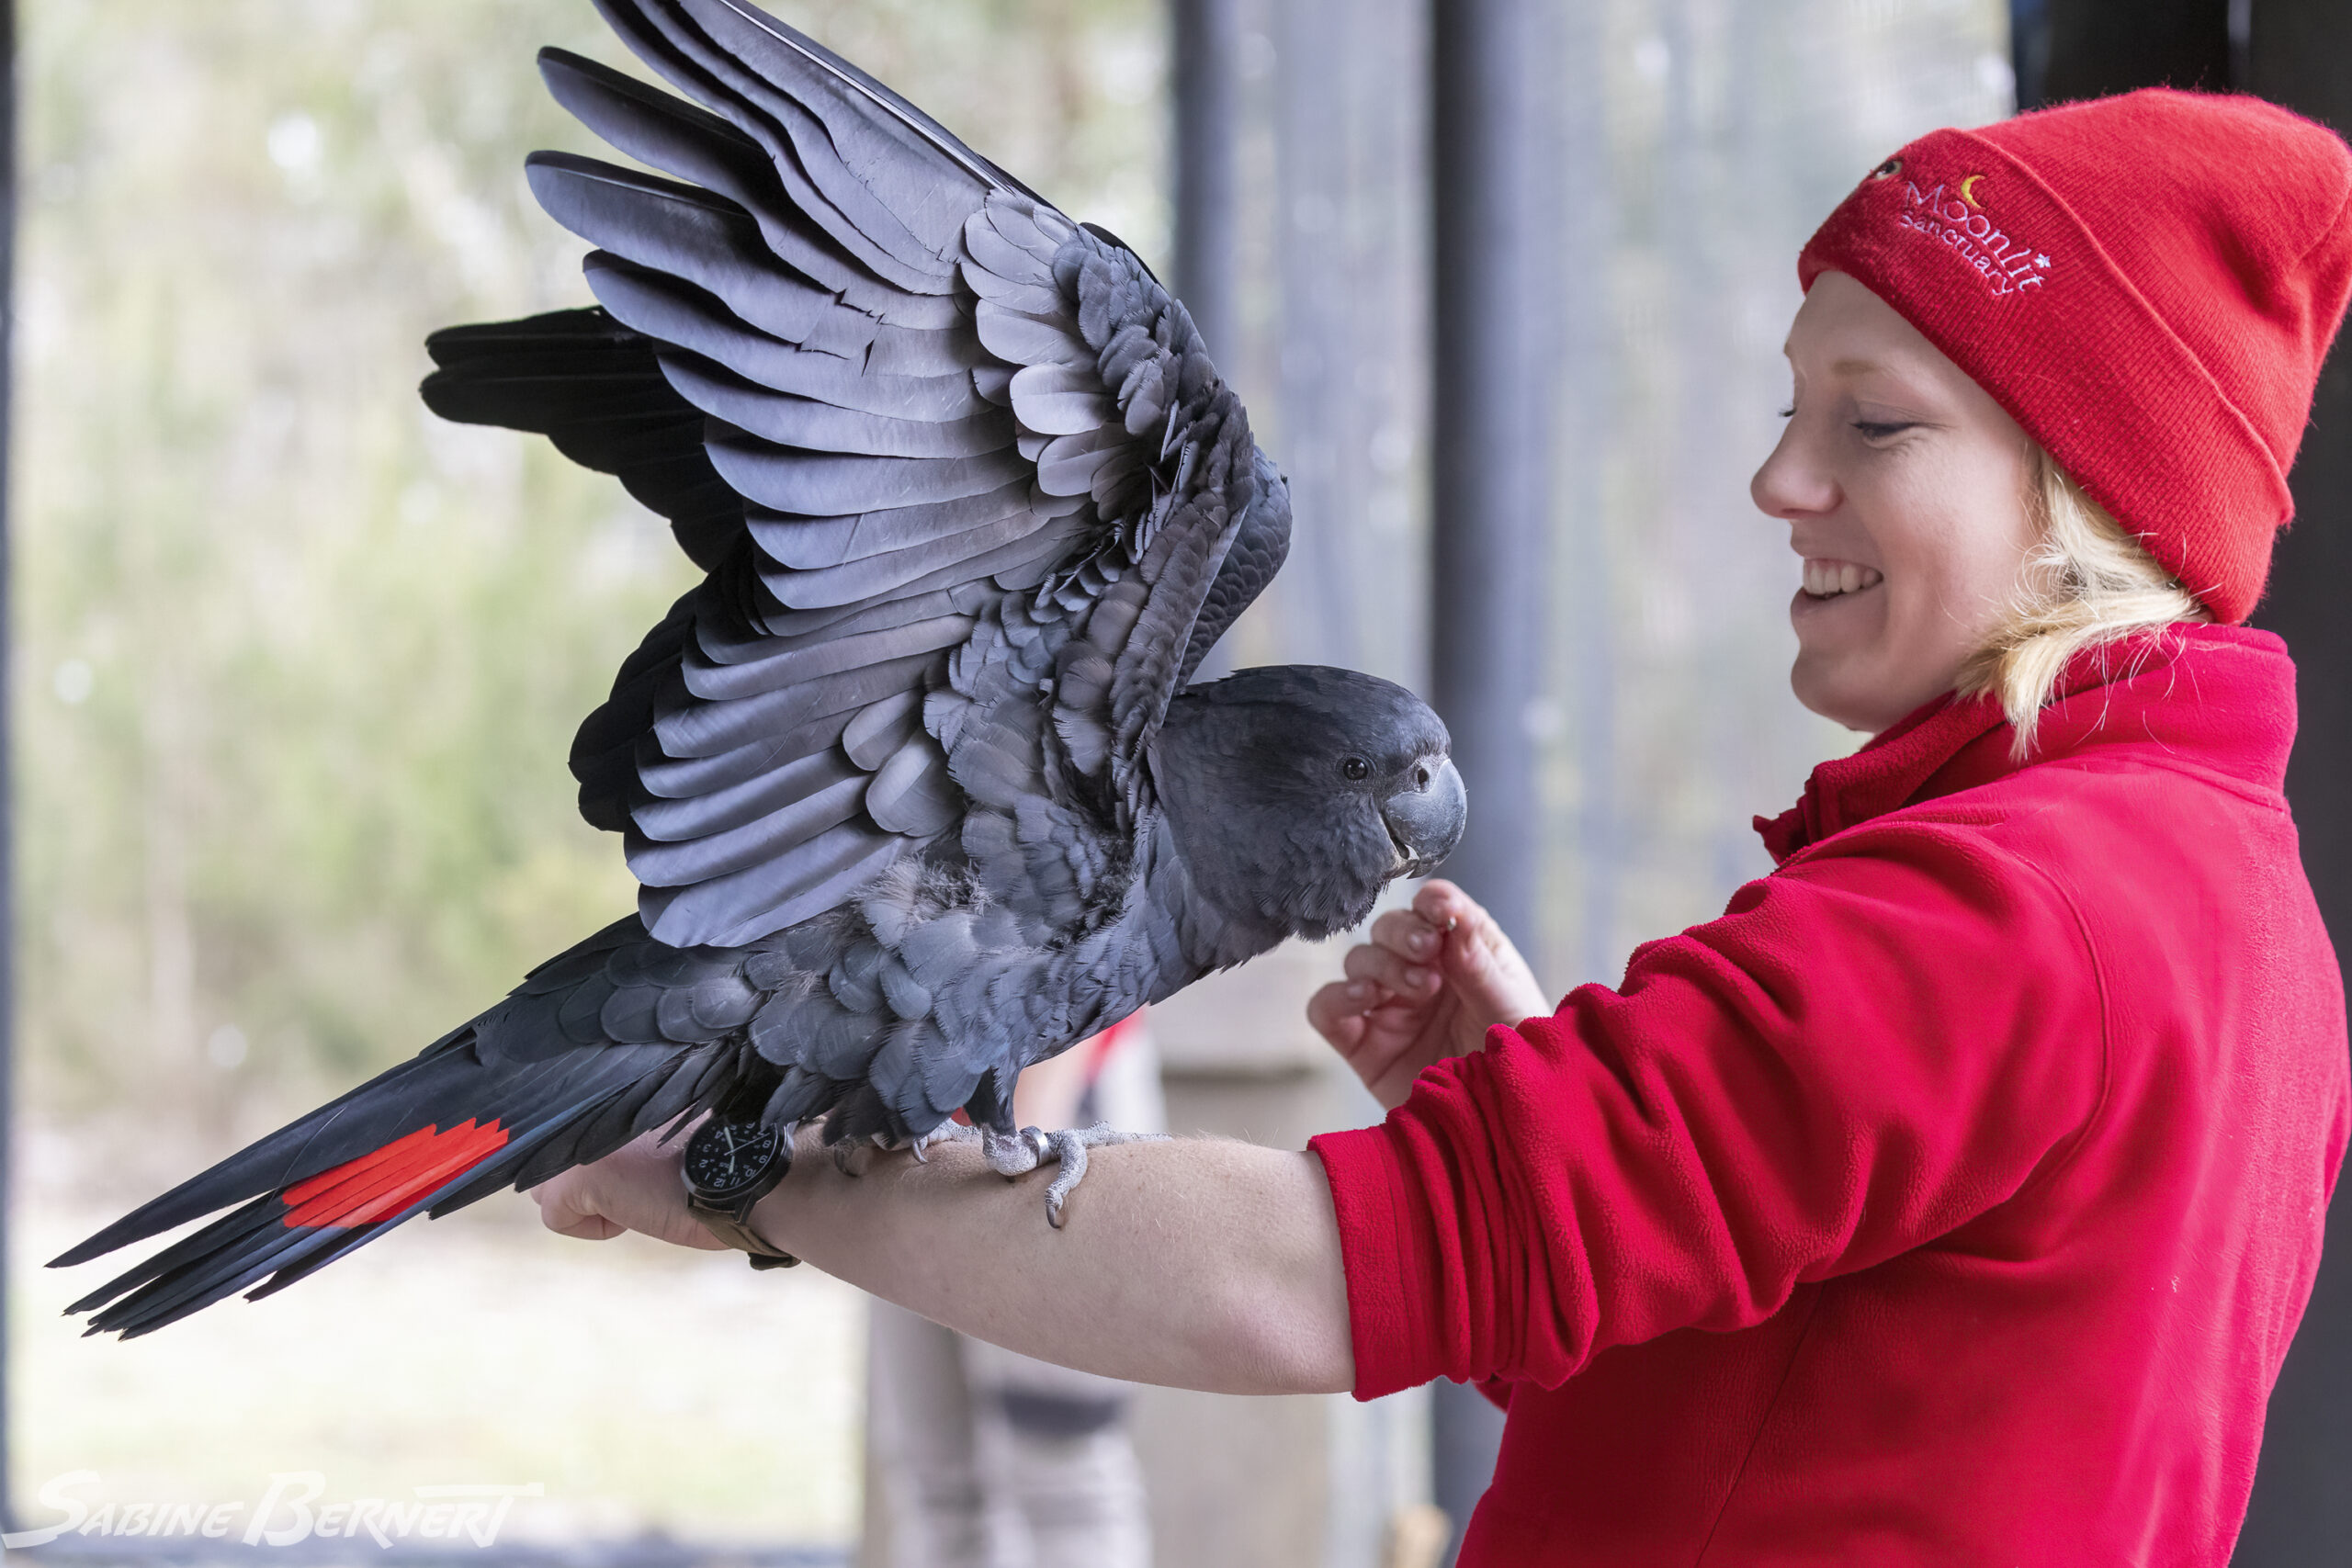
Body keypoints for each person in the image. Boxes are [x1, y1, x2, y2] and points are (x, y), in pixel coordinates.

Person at [533, 87, 2352, 1562]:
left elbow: (1285, 1289)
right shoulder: (2227, 904)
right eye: (1785, 408)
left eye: (1870, 426)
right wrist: (1549, 1127)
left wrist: (758, 1171)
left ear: (2084, 503)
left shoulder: (1991, 913)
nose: (1776, 482)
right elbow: (1892, 1391)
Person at [864, 1013, 1163, 1568]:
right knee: (937, 1476)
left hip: (1057, 1095)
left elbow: (1088, 941)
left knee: (1061, 1473)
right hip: (904, 1104)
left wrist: (1022, 1132)